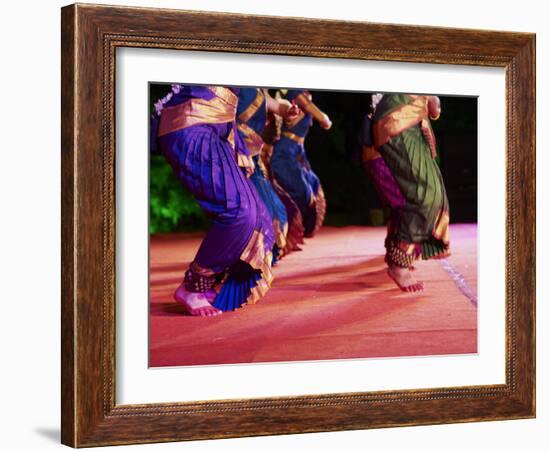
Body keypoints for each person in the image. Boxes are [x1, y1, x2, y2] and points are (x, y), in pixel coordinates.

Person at [153, 85, 275, 316]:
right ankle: (192, 286)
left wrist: (278, 106)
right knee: (240, 211)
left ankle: (211, 280)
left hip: (220, 125)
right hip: (193, 119)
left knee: (259, 218)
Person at [362, 93, 450, 292]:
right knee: (423, 194)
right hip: (399, 115)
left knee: (430, 192)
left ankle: (400, 255)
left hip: (410, 116)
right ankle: (399, 261)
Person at [235, 88, 299, 261]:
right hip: (235, 157)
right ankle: (244, 262)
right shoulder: (233, 85)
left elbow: (276, 106)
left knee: (277, 213)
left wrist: (288, 110)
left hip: (253, 159)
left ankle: (260, 260)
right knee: (258, 214)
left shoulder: (258, 90)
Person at [271, 89, 332, 237]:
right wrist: (325, 120)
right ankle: (289, 232)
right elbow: (322, 119)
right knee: (302, 192)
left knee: (313, 183)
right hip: (285, 152)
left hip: (297, 150)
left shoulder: (302, 95)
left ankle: (299, 231)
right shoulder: (295, 93)